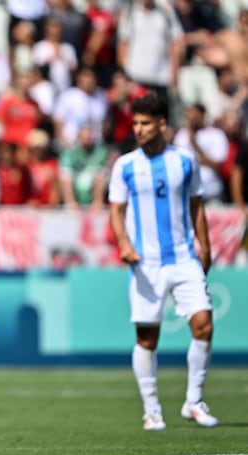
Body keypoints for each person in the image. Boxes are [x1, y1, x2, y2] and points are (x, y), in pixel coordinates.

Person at [108, 93, 218, 431]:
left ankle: (194, 401)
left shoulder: (185, 161)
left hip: (183, 257)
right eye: (135, 123)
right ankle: (152, 409)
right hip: (146, 263)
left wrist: (205, 244)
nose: (138, 130)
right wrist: (124, 244)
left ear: (161, 124)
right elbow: (116, 211)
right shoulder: (125, 165)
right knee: (147, 339)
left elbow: (196, 204)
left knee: (203, 324)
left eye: (144, 123)